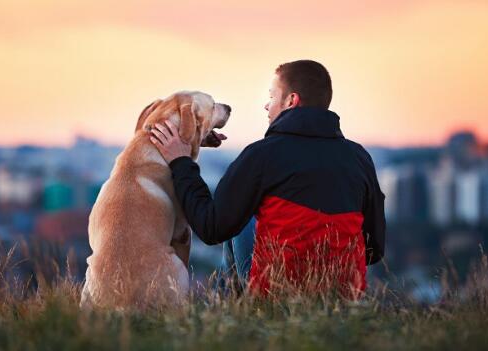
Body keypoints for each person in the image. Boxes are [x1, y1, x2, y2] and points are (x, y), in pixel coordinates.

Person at [149, 60, 386, 298]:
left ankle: (231, 315)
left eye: (272, 97)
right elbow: (374, 249)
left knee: (239, 219)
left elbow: (211, 228)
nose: (266, 105)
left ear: (291, 101)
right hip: (343, 296)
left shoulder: (261, 155)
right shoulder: (359, 158)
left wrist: (181, 162)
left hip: (277, 293)